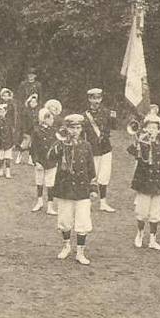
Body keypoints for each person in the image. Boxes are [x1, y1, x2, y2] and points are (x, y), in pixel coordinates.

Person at [48, 113, 99, 265]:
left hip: (82, 189)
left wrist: (93, 188)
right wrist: (59, 142)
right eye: (72, 128)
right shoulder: (61, 144)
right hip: (65, 188)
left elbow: (91, 168)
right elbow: (50, 157)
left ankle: (81, 252)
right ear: (66, 129)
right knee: (64, 219)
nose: (75, 131)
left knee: (83, 221)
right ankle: (66, 246)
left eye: (78, 128)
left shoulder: (86, 146)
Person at [127, 113, 160, 250]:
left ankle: (153, 239)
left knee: (155, 214)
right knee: (142, 212)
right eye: (149, 127)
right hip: (144, 182)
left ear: (159, 130)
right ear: (145, 129)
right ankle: (139, 234)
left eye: (154, 128)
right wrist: (138, 141)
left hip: (157, 183)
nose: (152, 130)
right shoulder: (142, 143)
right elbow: (131, 151)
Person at [83, 88, 117, 212]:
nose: (96, 101)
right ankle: (87, 202)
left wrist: (114, 117)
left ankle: (103, 203)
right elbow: (82, 135)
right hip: (92, 149)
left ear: (101, 98)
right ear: (89, 99)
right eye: (93, 98)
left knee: (104, 175)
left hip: (106, 148)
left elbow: (113, 127)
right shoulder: (85, 116)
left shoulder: (107, 112)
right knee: (91, 175)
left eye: (98, 98)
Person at [30, 107, 59, 213]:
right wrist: (36, 161)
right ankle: (39, 202)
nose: (53, 121)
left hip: (51, 161)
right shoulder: (37, 131)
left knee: (50, 184)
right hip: (40, 161)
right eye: (50, 119)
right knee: (39, 182)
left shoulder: (54, 131)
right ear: (45, 119)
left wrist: (56, 159)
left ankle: (50, 206)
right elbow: (33, 148)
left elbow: (57, 145)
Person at [0, 92, 16, 178]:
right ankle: (0, 171)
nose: (2, 113)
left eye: (3, 111)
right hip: (0, 143)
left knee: (8, 158)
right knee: (1, 158)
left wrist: (13, 143)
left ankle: (8, 172)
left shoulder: (8, 122)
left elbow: (11, 133)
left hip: (8, 143)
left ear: (6, 112)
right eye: (0, 112)